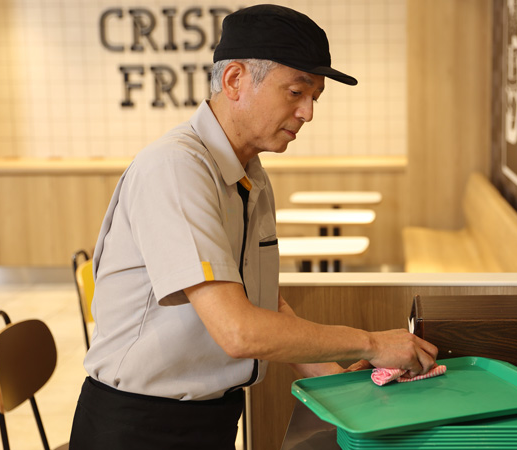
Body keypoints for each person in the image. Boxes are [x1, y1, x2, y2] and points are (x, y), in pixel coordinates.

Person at [68, 4, 438, 449]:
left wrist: (343, 382)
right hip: (140, 426)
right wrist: (371, 343)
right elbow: (239, 330)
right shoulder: (176, 168)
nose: (308, 113)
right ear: (235, 80)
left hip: (212, 417)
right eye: (296, 92)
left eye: (314, 98)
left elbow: (264, 305)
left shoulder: (250, 173)